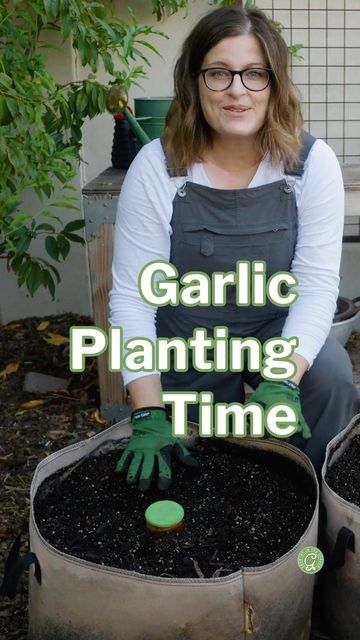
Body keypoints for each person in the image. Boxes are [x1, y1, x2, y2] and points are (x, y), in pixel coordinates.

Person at [109, 5, 359, 492]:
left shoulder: (312, 165)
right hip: (188, 332)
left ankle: (320, 506)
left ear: (275, 83)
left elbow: (315, 288)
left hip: (275, 328)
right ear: (194, 82)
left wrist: (284, 379)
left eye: (254, 74)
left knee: (328, 377)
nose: (237, 90)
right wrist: (148, 412)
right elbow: (132, 299)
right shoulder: (156, 167)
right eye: (219, 73)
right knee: (199, 470)